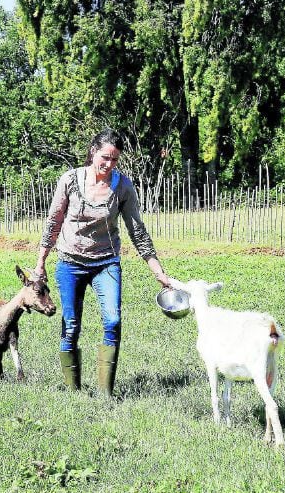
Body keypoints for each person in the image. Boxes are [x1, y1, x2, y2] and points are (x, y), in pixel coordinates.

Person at [35, 128, 169, 396]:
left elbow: (137, 231)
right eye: (105, 157)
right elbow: (54, 221)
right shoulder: (70, 180)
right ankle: (74, 392)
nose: (109, 165)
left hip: (106, 263)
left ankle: (105, 394)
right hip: (69, 262)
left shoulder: (123, 187)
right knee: (71, 326)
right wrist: (40, 263)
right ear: (93, 151)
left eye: (115, 160)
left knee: (112, 321)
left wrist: (158, 272)